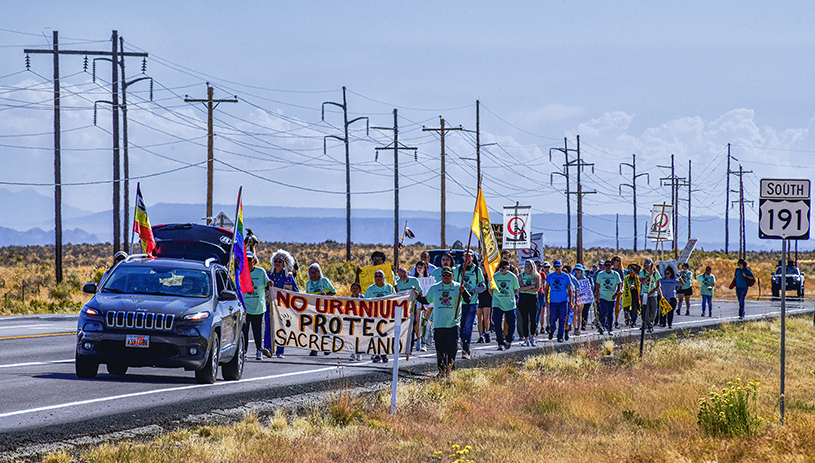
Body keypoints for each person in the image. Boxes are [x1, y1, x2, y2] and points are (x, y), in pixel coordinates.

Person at [417, 267, 471, 377]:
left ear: (452, 276)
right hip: (439, 324)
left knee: (452, 347)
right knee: (440, 348)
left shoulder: (458, 287)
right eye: (444, 275)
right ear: (441, 276)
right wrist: (416, 295)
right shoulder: (435, 288)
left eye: (448, 275)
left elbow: (468, 300)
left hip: (453, 323)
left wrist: (464, 291)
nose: (446, 277)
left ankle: (450, 367)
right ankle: (441, 370)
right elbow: (426, 301)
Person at [267, 249, 299, 358]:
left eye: (280, 262)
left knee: (281, 328)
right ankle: (268, 349)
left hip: (283, 307)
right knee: (268, 327)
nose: (277, 263)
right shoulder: (268, 275)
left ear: (284, 264)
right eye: (276, 261)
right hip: (269, 305)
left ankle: (280, 351)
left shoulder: (288, 277)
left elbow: (296, 291)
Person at [242, 252, 272, 360]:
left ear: (254, 261)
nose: (248, 262)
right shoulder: (241, 273)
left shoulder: (260, 272)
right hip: (245, 308)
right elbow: (237, 289)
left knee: (257, 331)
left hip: (258, 308)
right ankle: (243, 352)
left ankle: (259, 350)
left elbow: (267, 284)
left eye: (250, 260)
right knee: (244, 331)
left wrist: (270, 284)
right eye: (246, 259)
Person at [455, 251, 485, 359]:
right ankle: (463, 344)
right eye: (465, 256)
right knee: (460, 326)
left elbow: (483, 286)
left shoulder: (477, 270)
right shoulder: (458, 269)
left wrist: (475, 290)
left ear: (472, 257)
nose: (467, 258)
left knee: (468, 326)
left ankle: (466, 349)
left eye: (469, 256)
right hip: (460, 302)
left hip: (472, 302)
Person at [306, 262, 336, 356]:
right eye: (311, 272)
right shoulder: (308, 283)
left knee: (324, 328)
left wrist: (326, 295)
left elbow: (333, 292)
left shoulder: (325, 281)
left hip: (324, 309)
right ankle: (314, 348)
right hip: (313, 309)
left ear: (319, 272)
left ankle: (326, 347)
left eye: (315, 272)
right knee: (314, 329)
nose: (313, 274)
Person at [491, 261, 520, 350]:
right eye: (500, 267)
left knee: (511, 323)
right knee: (497, 322)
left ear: (508, 267)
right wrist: (496, 297)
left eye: (503, 267)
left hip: (509, 303)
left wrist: (509, 296)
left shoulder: (512, 277)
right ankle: (500, 341)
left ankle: (509, 338)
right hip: (497, 303)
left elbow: (516, 289)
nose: (501, 269)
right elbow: (490, 289)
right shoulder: (495, 276)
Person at [545, 260, 574, 343]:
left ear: (561, 266)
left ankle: (560, 336)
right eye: (555, 267)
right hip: (553, 301)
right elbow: (546, 288)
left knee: (562, 319)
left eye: (558, 266)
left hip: (563, 301)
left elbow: (570, 289)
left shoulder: (566, 276)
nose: (557, 268)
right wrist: (546, 300)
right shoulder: (550, 276)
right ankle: (552, 330)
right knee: (552, 319)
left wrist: (571, 301)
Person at [595, 259, 622, 335]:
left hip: (612, 297)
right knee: (604, 311)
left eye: (609, 265)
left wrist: (617, 293)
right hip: (603, 296)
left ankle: (610, 328)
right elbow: (597, 285)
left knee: (610, 313)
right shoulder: (601, 274)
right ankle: (602, 326)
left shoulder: (615, 274)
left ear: (612, 266)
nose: (607, 267)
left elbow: (619, 283)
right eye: (606, 265)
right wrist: (597, 295)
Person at [517, 260, 542, 346]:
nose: (528, 266)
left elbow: (537, 288)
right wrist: (529, 287)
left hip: (532, 298)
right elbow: (519, 288)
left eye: (529, 265)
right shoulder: (521, 275)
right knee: (524, 319)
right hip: (523, 298)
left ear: (532, 266)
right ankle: (526, 338)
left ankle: (532, 337)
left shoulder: (536, 276)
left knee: (533, 318)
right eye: (526, 265)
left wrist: (526, 288)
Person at [412, 260, 432, 351]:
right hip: (417, 303)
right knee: (417, 323)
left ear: (425, 269)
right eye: (418, 267)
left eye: (421, 267)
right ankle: (419, 339)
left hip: (428, 303)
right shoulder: (413, 279)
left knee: (425, 322)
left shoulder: (429, 279)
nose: (419, 269)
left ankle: (425, 342)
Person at [639, 258, 662, 333]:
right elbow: (642, 282)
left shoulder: (656, 273)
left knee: (653, 310)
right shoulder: (642, 272)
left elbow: (658, 285)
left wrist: (651, 292)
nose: (647, 266)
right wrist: (649, 275)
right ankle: (649, 325)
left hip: (652, 294)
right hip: (644, 294)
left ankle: (651, 322)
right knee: (646, 310)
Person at [476, 260, 493, 345]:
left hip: (487, 296)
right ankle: (480, 335)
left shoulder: (489, 276)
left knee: (486, 317)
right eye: (482, 265)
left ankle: (487, 332)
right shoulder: (477, 275)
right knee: (479, 317)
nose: (483, 267)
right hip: (479, 296)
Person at [573, 264, 593, 336]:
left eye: (579, 270)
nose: (577, 271)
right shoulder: (573, 278)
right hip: (575, 297)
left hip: (581, 297)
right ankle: (575, 327)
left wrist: (589, 297)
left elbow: (588, 289)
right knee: (575, 313)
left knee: (580, 313)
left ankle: (578, 327)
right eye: (576, 270)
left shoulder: (584, 279)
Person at [610, 255, 626, 328]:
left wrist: (621, 289)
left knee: (617, 305)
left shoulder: (620, 271)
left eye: (618, 260)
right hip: (610, 288)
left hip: (618, 289)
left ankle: (616, 320)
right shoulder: (610, 269)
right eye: (616, 260)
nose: (617, 262)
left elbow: (622, 281)